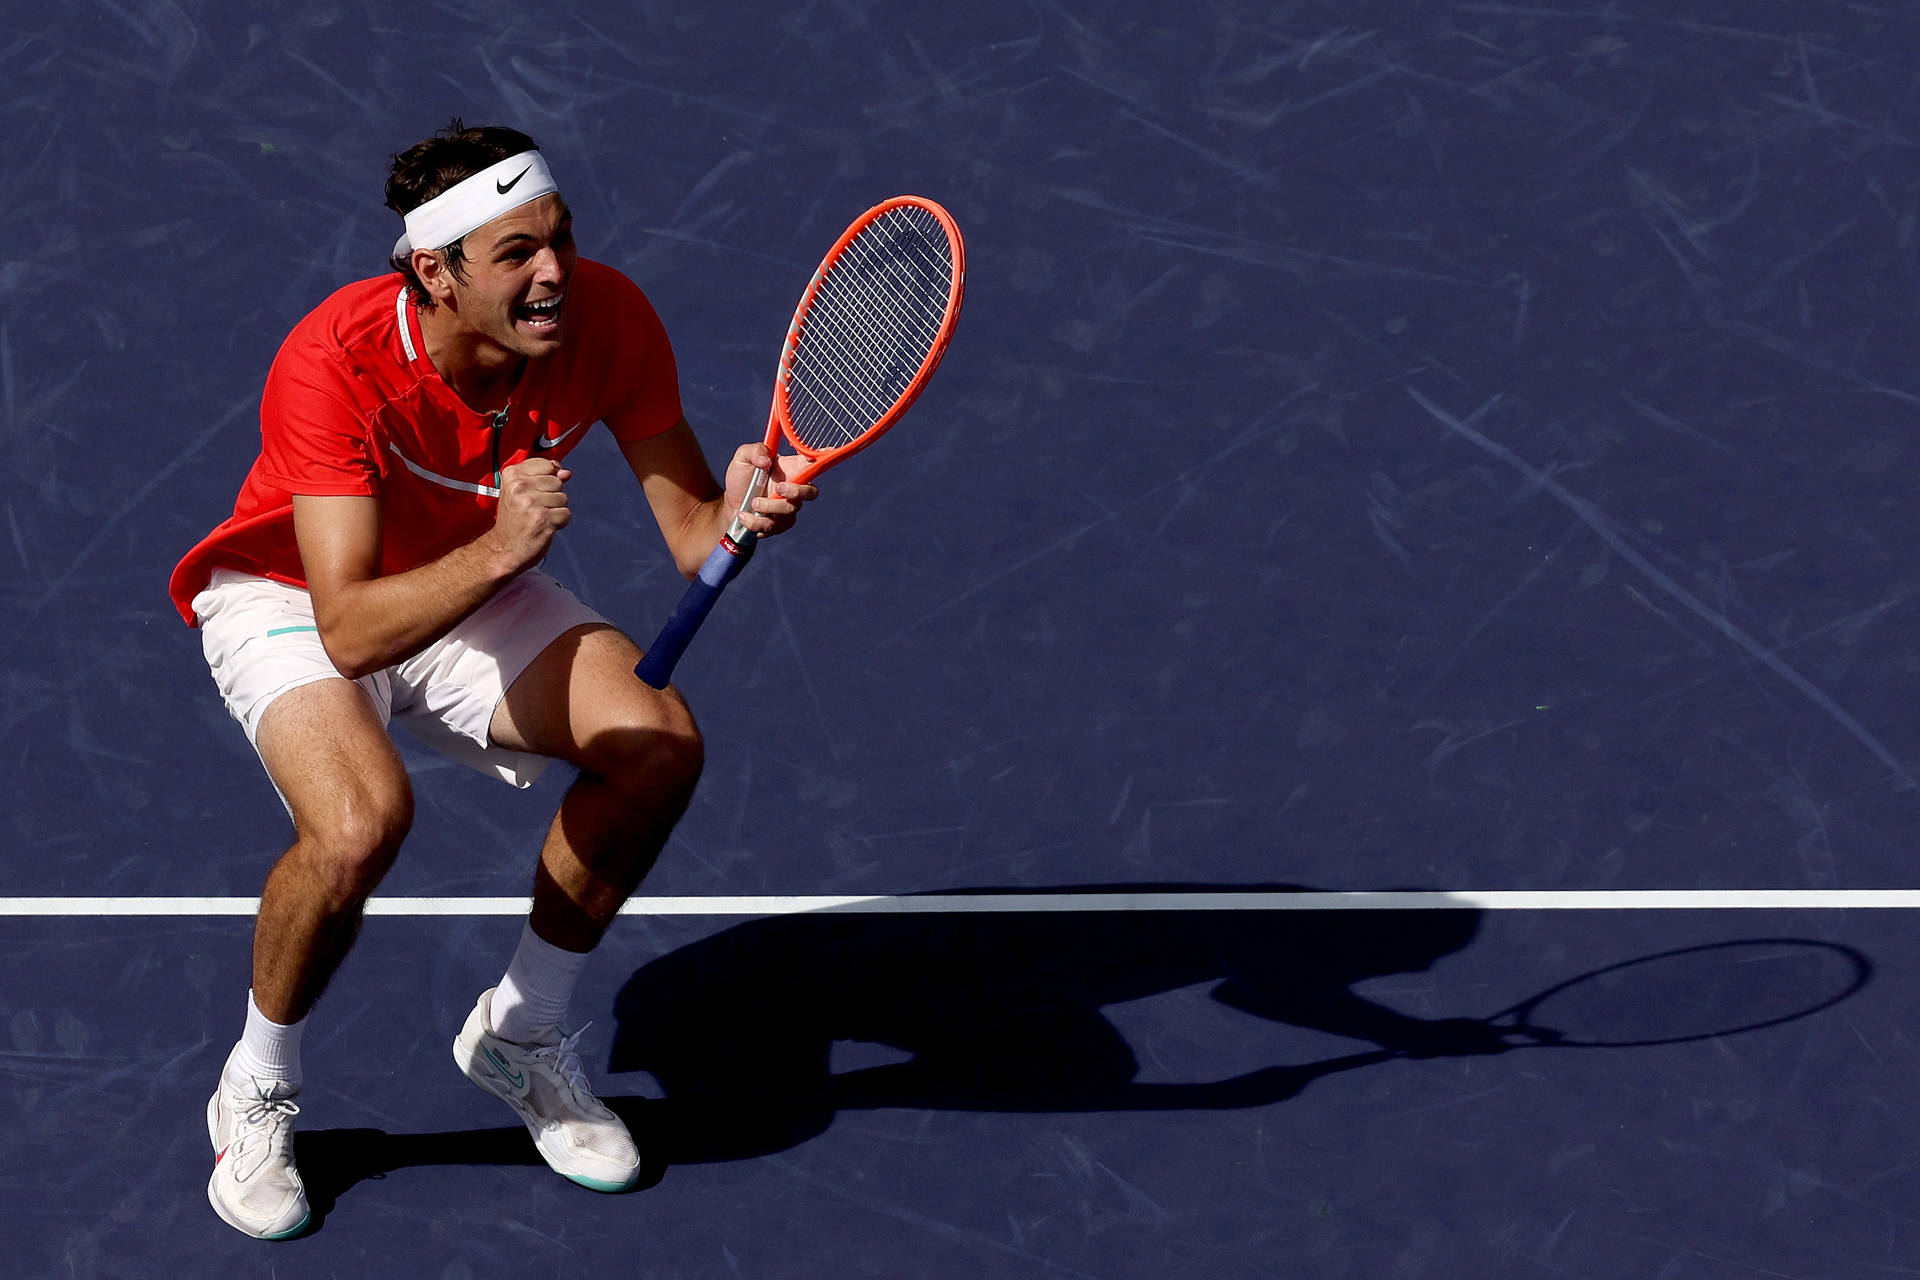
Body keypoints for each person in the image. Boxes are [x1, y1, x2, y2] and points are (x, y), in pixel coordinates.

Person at [166, 120, 816, 1240]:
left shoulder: (609, 317)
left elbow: (690, 525)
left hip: (474, 573)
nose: (554, 271)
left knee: (656, 743)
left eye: (558, 239)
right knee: (361, 823)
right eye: (514, 254)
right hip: (303, 596)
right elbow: (354, 628)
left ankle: (519, 1034)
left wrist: (741, 506)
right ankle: (256, 1081)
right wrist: (504, 550)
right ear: (434, 270)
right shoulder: (331, 362)